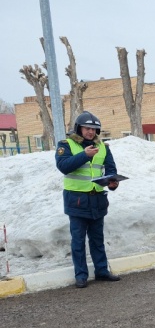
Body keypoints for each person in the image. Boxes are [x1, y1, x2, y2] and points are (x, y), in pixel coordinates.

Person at [55, 111, 122, 289]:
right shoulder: (66, 145)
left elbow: (110, 170)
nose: (91, 132)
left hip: (97, 200)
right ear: (79, 128)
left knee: (97, 239)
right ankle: (81, 275)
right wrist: (84, 155)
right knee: (78, 241)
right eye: (87, 128)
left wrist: (112, 183)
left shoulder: (104, 147)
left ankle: (101, 271)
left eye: (94, 129)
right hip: (76, 201)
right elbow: (63, 167)